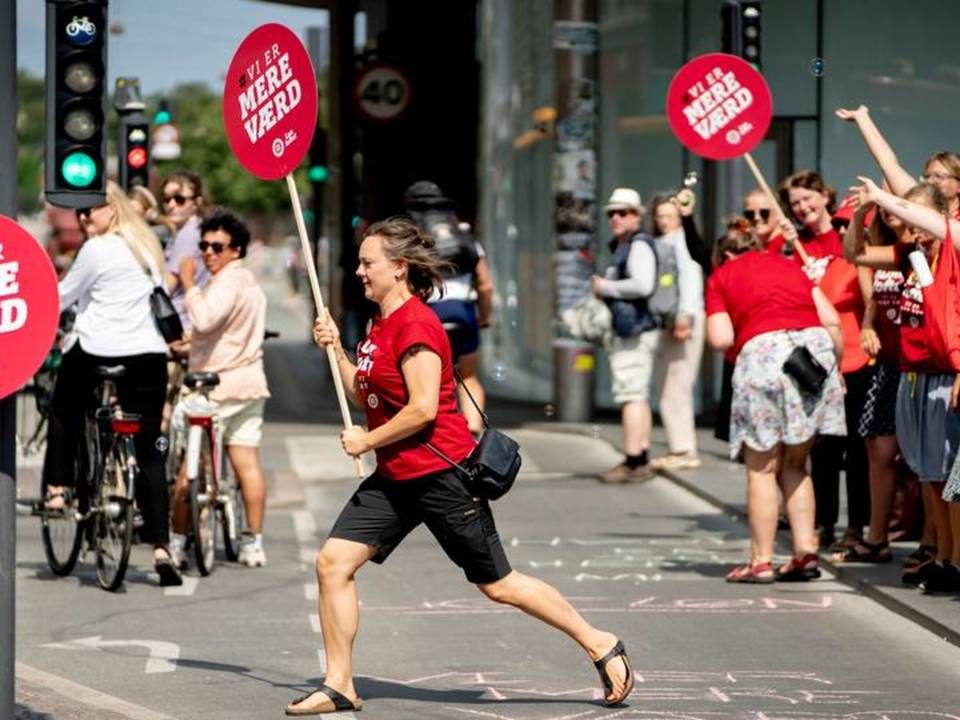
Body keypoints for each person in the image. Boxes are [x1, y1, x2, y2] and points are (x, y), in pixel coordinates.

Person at [290, 217, 633, 715]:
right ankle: (340, 683)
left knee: (498, 585)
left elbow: (423, 408)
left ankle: (600, 641)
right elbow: (360, 390)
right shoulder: (378, 323)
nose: (359, 272)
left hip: (441, 474)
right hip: (395, 479)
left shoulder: (416, 325)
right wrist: (335, 350)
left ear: (399, 267)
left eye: (368, 263)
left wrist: (367, 440)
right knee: (333, 564)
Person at [41, 181, 180, 586]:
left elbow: (62, 296)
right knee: (151, 448)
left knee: (64, 409)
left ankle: (57, 487)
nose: (84, 219)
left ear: (112, 209)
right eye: (80, 214)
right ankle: (160, 548)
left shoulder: (98, 249)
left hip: (97, 349)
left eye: (91, 211)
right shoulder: (148, 247)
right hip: (147, 356)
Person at [706, 220, 845, 583]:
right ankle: (804, 553)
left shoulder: (722, 276)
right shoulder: (789, 264)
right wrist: (838, 370)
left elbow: (721, 337)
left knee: (762, 466)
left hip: (763, 356)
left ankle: (762, 560)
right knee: (797, 464)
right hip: (811, 357)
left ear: (726, 255)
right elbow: (831, 320)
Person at [845, 177, 960, 592]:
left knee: (949, 476)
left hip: (946, 372)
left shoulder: (951, 250)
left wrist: (882, 194)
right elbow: (855, 253)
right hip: (913, 373)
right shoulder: (912, 254)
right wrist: (862, 211)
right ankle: (944, 556)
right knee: (930, 475)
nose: (910, 233)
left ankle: (952, 558)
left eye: (915, 224)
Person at [169, 209, 271, 568]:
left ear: (237, 250)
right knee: (247, 464)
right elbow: (223, 330)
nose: (208, 253)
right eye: (204, 246)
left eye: (217, 246)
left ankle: (178, 543)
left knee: (188, 471)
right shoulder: (250, 283)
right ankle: (253, 542)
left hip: (214, 388)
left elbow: (207, 317)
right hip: (249, 382)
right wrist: (193, 343)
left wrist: (188, 283)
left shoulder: (227, 281)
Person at [777, 170, 870, 551]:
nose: (802, 207)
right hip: (818, 357)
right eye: (795, 203)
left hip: (859, 351)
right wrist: (781, 247)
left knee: (860, 448)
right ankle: (824, 523)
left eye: (807, 198)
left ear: (824, 196)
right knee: (823, 447)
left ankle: (857, 528)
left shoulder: (847, 233)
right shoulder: (795, 245)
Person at [404, 180, 494, 434]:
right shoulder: (465, 237)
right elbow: (485, 285)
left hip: (429, 315)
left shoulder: (411, 241)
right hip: (463, 312)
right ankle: (474, 430)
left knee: (424, 380)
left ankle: (429, 430)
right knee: (468, 377)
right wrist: (483, 317)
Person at [592, 188, 661, 483]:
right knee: (637, 395)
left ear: (637, 215)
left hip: (634, 330)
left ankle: (633, 461)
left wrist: (606, 287)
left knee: (630, 395)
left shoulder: (638, 245)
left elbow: (643, 285)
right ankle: (639, 457)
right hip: (634, 329)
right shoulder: (627, 244)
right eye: (611, 213)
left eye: (623, 212)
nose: (616, 218)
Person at [647, 190, 705, 470]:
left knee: (676, 385)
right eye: (660, 216)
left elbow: (691, 278)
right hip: (669, 319)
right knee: (669, 384)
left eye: (669, 216)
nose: (664, 221)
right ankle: (679, 446)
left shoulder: (681, 242)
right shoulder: (662, 241)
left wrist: (685, 316)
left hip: (683, 318)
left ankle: (683, 449)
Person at [836, 105, 960, 219]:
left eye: (939, 176)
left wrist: (879, 196)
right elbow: (888, 164)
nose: (930, 181)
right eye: (927, 176)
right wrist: (862, 118)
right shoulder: (923, 206)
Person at [161, 170, 210, 331]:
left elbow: (168, 285)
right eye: (166, 199)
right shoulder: (196, 230)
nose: (171, 205)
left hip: (180, 322)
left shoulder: (188, 234)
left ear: (196, 202)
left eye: (179, 199)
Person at [128, 185, 177, 250]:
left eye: (139, 213)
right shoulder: (126, 230)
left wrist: (155, 217)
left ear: (149, 211)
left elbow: (172, 227)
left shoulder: (160, 230)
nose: (134, 218)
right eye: (130, 212)